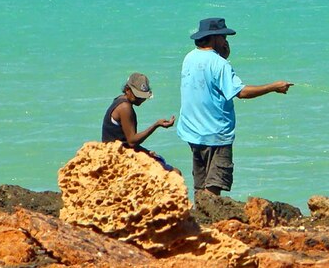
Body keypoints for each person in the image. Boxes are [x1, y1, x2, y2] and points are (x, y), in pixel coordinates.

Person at [178, 18, 293, 196]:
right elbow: (241, 92)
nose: (226, 41)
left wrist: (221, 56)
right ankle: (210, 218)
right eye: (223, 37)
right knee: (215, 183)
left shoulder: (190, 57)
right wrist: (273, 87)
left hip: (192, 131)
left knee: (201, 184)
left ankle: (199, 219)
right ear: (214, 38)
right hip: (215, 133)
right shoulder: (219, 64)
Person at [102, 72, 179, 173]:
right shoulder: (125, 108)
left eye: (143, 97)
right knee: (175, 173)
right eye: (138, 96)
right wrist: (156, 125)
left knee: (159, 159)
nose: (141, 100)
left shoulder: (119, 100)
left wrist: (146, 151)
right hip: (118, 156)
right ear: (127, 90)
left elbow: (123, 140)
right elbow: (132, 141)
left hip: (117, 150)